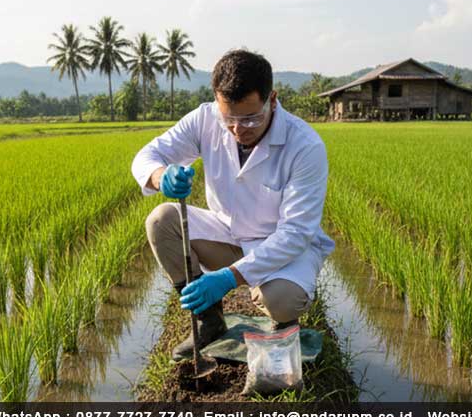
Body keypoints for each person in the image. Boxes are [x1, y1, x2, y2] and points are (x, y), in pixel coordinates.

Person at [131, 49, 335, 360]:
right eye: (230, 118)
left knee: (281, 299)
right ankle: (208, 320)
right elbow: (145, 157)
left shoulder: (304, 146)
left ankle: (281, 322)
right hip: (227, 232)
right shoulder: (205, 118)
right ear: (217, 104)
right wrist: (161, 176)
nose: (239, 129)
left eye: (251, 117)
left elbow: (295, 234)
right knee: (161, 221)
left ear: (273, 100)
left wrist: (228, 278)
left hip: (282, 247)